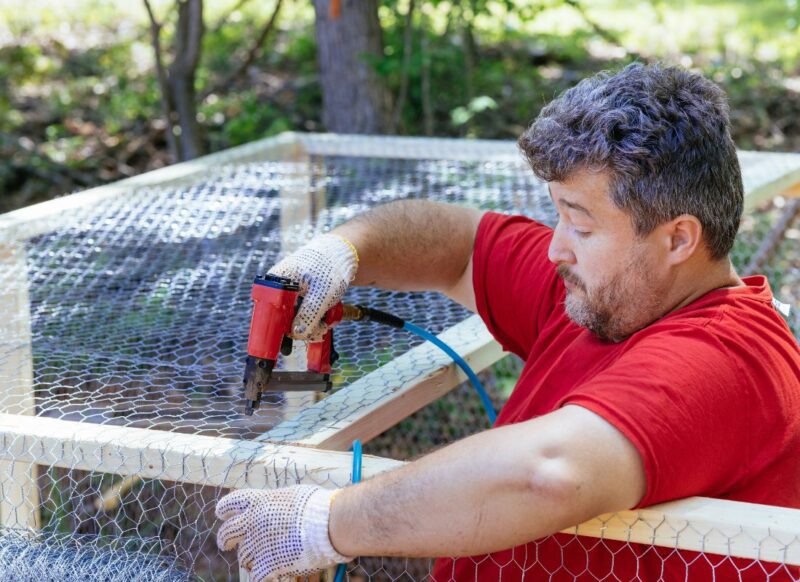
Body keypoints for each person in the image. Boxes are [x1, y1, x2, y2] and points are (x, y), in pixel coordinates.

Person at [215, 63, 800, 581]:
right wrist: (344, 252)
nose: (555, 249)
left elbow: (547, 472)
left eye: (582, 224)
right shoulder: (609, 295)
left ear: (678, 238)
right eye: (557, 215)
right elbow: (464, 245)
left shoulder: (725, 357)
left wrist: (327, 522)